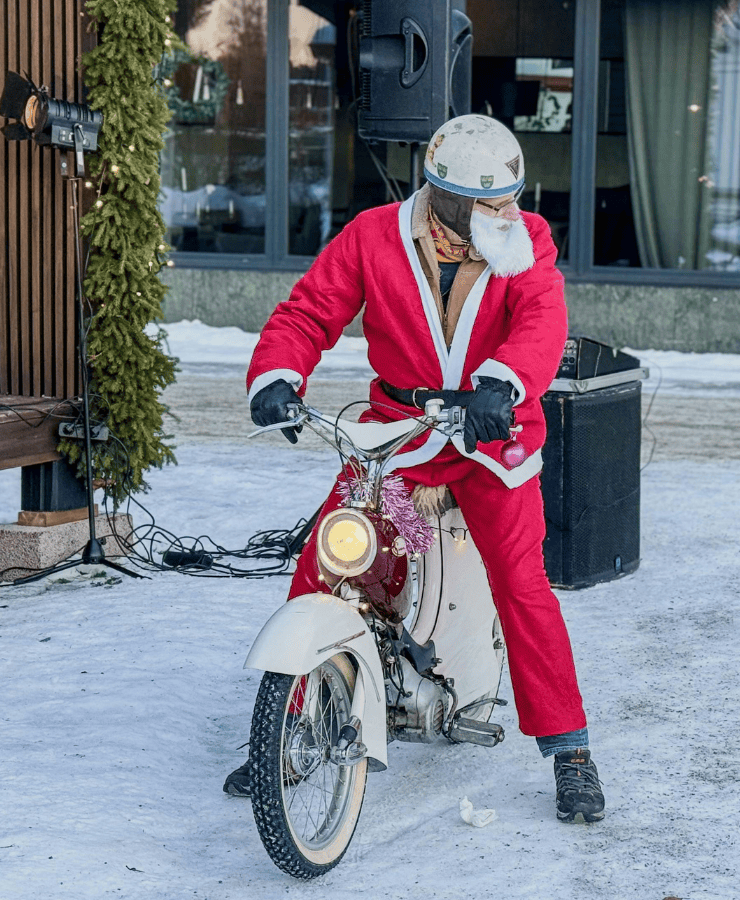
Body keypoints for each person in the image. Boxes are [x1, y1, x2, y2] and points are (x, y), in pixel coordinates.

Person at [225, 114, 605, 823]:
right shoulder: (372, 236)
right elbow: (309, 312)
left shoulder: (525, 242)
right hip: (401, 444)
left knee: (522, 586)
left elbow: (541, 321)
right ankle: (291, 727)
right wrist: (277, 375)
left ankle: (571, 750)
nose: (508, 213)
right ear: (445, 198)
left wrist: (504, 384)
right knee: (331, 562)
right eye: (491, 203)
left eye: (513, 198)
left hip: (493, 448)